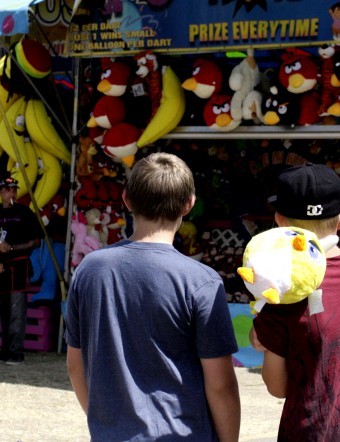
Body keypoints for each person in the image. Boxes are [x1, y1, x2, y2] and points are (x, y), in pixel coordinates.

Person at [65, 152, 240, 442]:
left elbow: (75, 364)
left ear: (127, 199)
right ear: (189, 205)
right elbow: (221, 384)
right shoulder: (201, 281)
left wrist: (107, 423)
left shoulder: (89, 270)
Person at [250, 163, 340, 441]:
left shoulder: (283, 287)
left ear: (279, 221)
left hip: (312, 432)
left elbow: (277, 387)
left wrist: (263, 328)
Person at [0, 176, 42, 366]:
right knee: (3, 311)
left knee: (17, 310)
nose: (12, 193)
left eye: (14, 189)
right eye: (7, 189)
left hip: (19, 266)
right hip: (0, 268)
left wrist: (12, 247)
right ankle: (5, 349)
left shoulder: (24, 212)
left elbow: (36, 240)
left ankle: (16, 351)